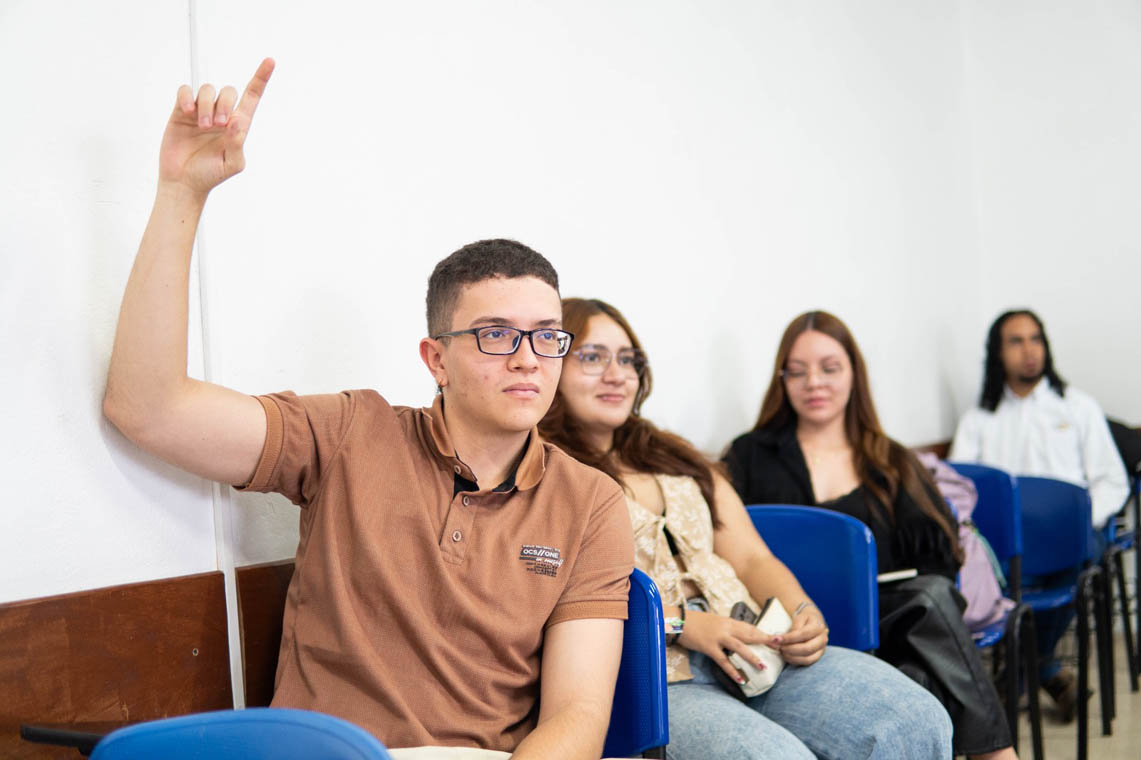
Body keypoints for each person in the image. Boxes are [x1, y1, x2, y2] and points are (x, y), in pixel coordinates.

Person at [101, 60, 635, 760]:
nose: (528, 359)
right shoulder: (352, 432)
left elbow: (577, 717)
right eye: (497, 335)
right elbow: (148, 409)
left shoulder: (590, 502)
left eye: (546, 337)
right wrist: (182, 193)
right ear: (435, 359)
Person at [539, 298, 953, 760]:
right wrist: (682, 623)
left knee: (917, 718)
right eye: (592, 357)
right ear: (553, 363)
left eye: (627, 358)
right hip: (658, 678)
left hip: (760, 648)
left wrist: (800, 609)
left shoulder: (675, 457)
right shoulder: (548, 474)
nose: (616, 374)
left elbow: (752, 558)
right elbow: (560, 599)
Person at [723, 310, 1016, 760]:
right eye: (796, 372)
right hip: (787, 627)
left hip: (888, 623)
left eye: (829, 368)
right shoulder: (749, 455)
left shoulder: (892, 461)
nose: (813, 383)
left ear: (854, 374)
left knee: (929, 605)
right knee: (922, 669)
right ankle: (997, 754)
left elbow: (941, 560)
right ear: (781, 380)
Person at [950, 308, 1130, 721]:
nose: (1029, 351)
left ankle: (1013, 681)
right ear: (998, 354)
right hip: (1011, 552)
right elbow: (960, 492)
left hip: (1072, 543)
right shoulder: (979, 420)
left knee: (1080, 552)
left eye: (1036, 339)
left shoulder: (1077, 407)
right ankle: (1045, 670)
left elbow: (1111, 481)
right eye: (1016, 341)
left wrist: (1082, 522)